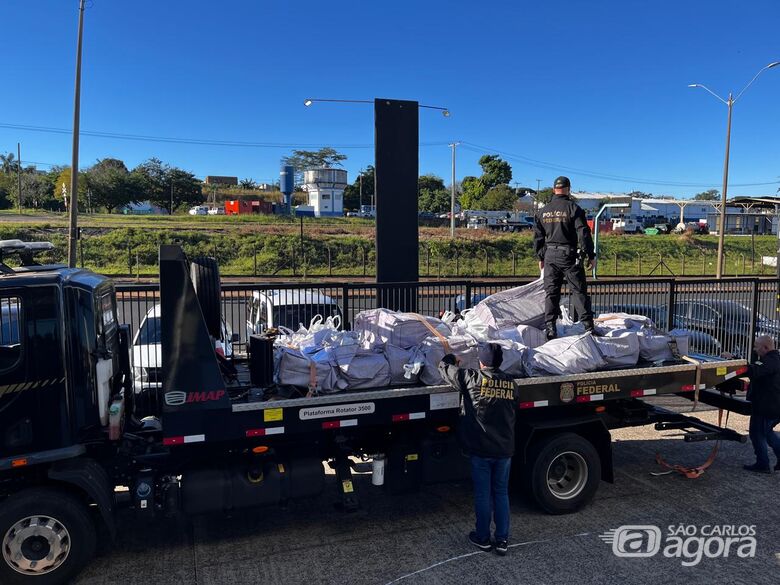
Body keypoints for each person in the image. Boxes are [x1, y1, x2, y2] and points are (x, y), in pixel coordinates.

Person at [438, 343, 519, 556]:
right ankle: (502, 540)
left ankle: (482, 537)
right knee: (501, 493)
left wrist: (450, 359)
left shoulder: (471, 378)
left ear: (481, 362)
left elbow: (444, 369)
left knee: (483, 494)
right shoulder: (511, 384)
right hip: (504, 449)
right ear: (500, 362)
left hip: (481, 449)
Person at [533, 176, 596, 340]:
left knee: (551, 293)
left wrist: (541, 256)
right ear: (568, 189)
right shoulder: (573, 208)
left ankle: (550, 328)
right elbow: (583, 233)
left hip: (550, 255)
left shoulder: (542, 211)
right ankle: (588, 327)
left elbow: (538, 237)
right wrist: (590, 255)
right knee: (578, 291)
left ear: (554, 189)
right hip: (569, 255)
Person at [736, 336, 780, 473]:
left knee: (757, 434)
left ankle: (762, 464)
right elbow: (755, 368)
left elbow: (754, 371)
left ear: (765, 348)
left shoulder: (771, 361)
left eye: (756, 346)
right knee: (766, 433)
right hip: (770, 405)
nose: (754, 349)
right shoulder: (772, 360)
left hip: (767, 406)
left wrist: (734, 362)